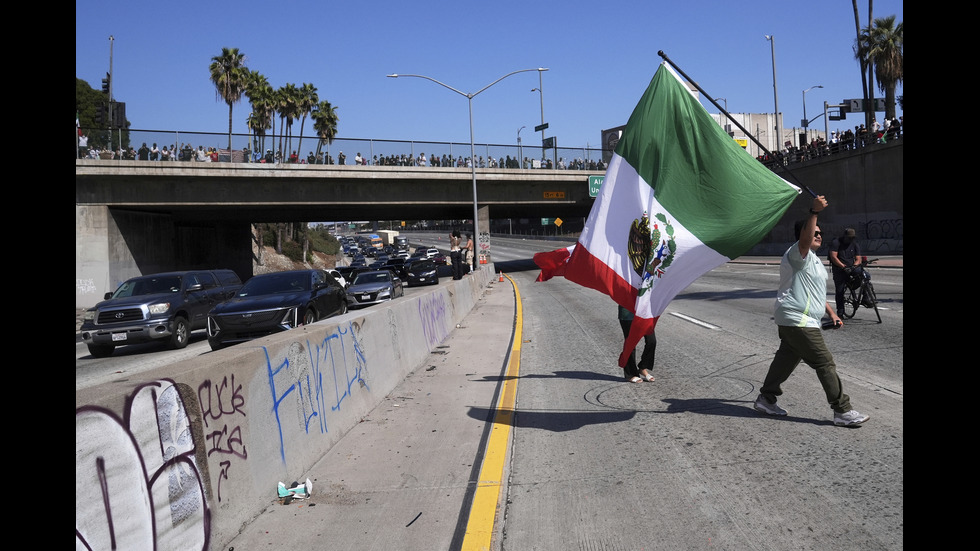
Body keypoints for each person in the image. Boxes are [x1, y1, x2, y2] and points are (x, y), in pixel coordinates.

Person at [753, 195, 870, 427]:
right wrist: (813, 212)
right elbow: (805, 240)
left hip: (798, 320)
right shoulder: (798, 254)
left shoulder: (814, 260)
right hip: (798, 319)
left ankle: (766, 398)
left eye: (820, 233)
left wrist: (832, 313)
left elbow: (814, 292)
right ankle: (842, 411)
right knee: (824, 362)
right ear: (803, 234)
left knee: (785, 360)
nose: (818, 235)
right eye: (814, 232)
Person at [828, 228, 862, 317]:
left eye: (852, 238)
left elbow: (858, 258)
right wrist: (843, 267)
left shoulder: (854, 243)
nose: (850, 239)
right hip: (839, 269)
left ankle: (867, 297)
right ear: (845, 236)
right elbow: (833, 257)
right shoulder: (836, 242)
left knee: (864, 275)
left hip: (851, 268)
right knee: (840, 290)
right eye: (849, 238)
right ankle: (840, 311)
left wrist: (854, 266)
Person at [618, 305, 656, 383]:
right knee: (630, 344)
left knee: (652, 341)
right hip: (628, 313)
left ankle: (643, 367)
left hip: (644, 313)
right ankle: (631, 374)